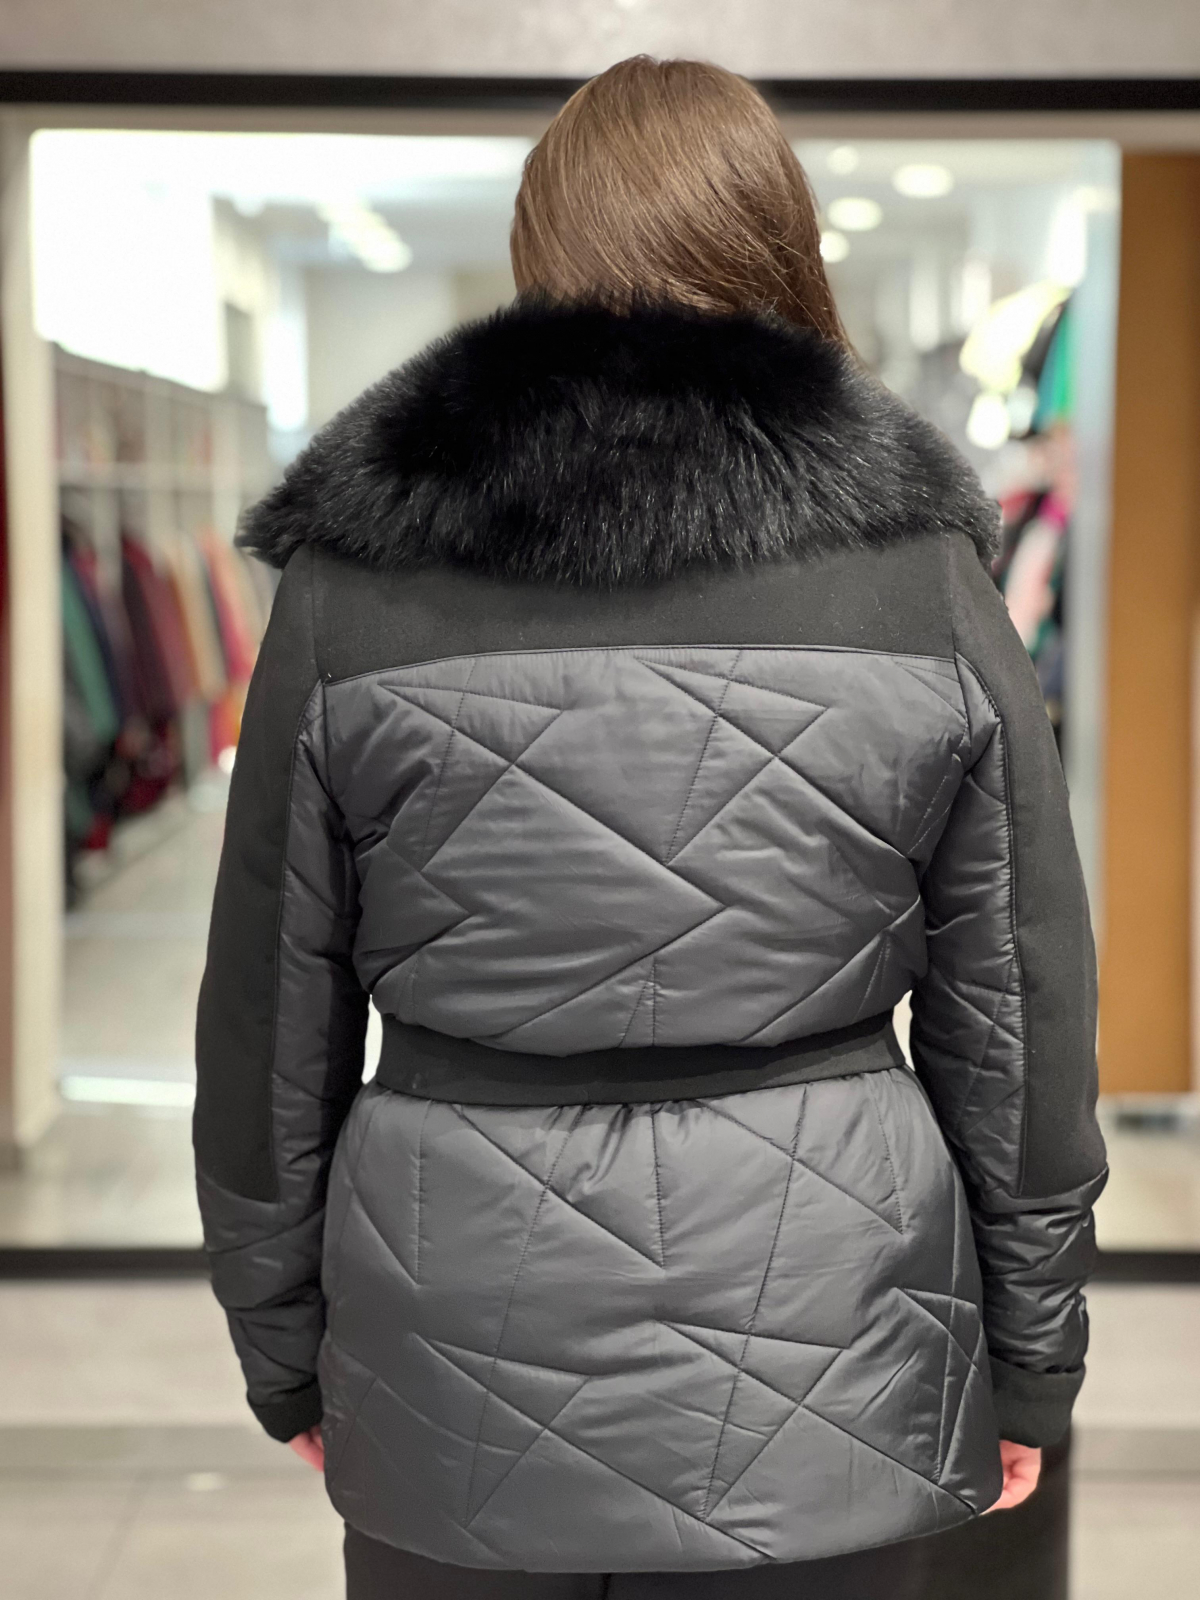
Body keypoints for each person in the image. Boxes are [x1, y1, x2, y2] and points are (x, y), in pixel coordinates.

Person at [194, 56, 1106, 1599]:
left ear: (535, 256)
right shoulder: (923, 580)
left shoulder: (352, 588)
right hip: (827, 1347)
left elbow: (266, 1019)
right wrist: (1031, 1353)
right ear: (784, 248)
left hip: (452, 1337)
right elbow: (1016, 1015)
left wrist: (284, 1348)